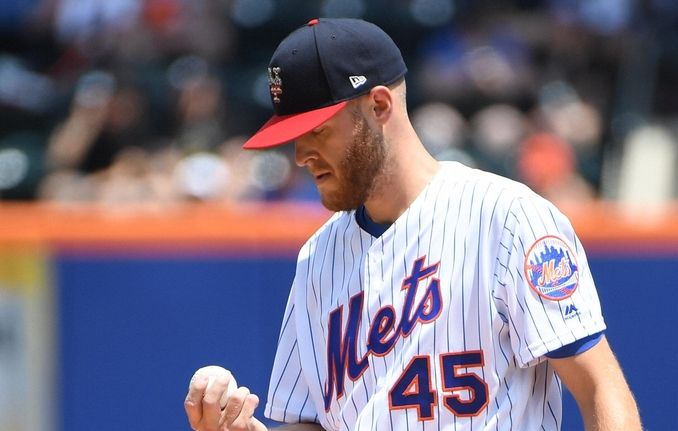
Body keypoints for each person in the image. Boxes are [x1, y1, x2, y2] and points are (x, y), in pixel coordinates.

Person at [183, 18, 642, 431]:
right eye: (293, 137)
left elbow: (599, 388)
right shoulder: (318, 257)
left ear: (379, 105)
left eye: (316, 130)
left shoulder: (507, 217)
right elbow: (314, 423)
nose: (301, 155)